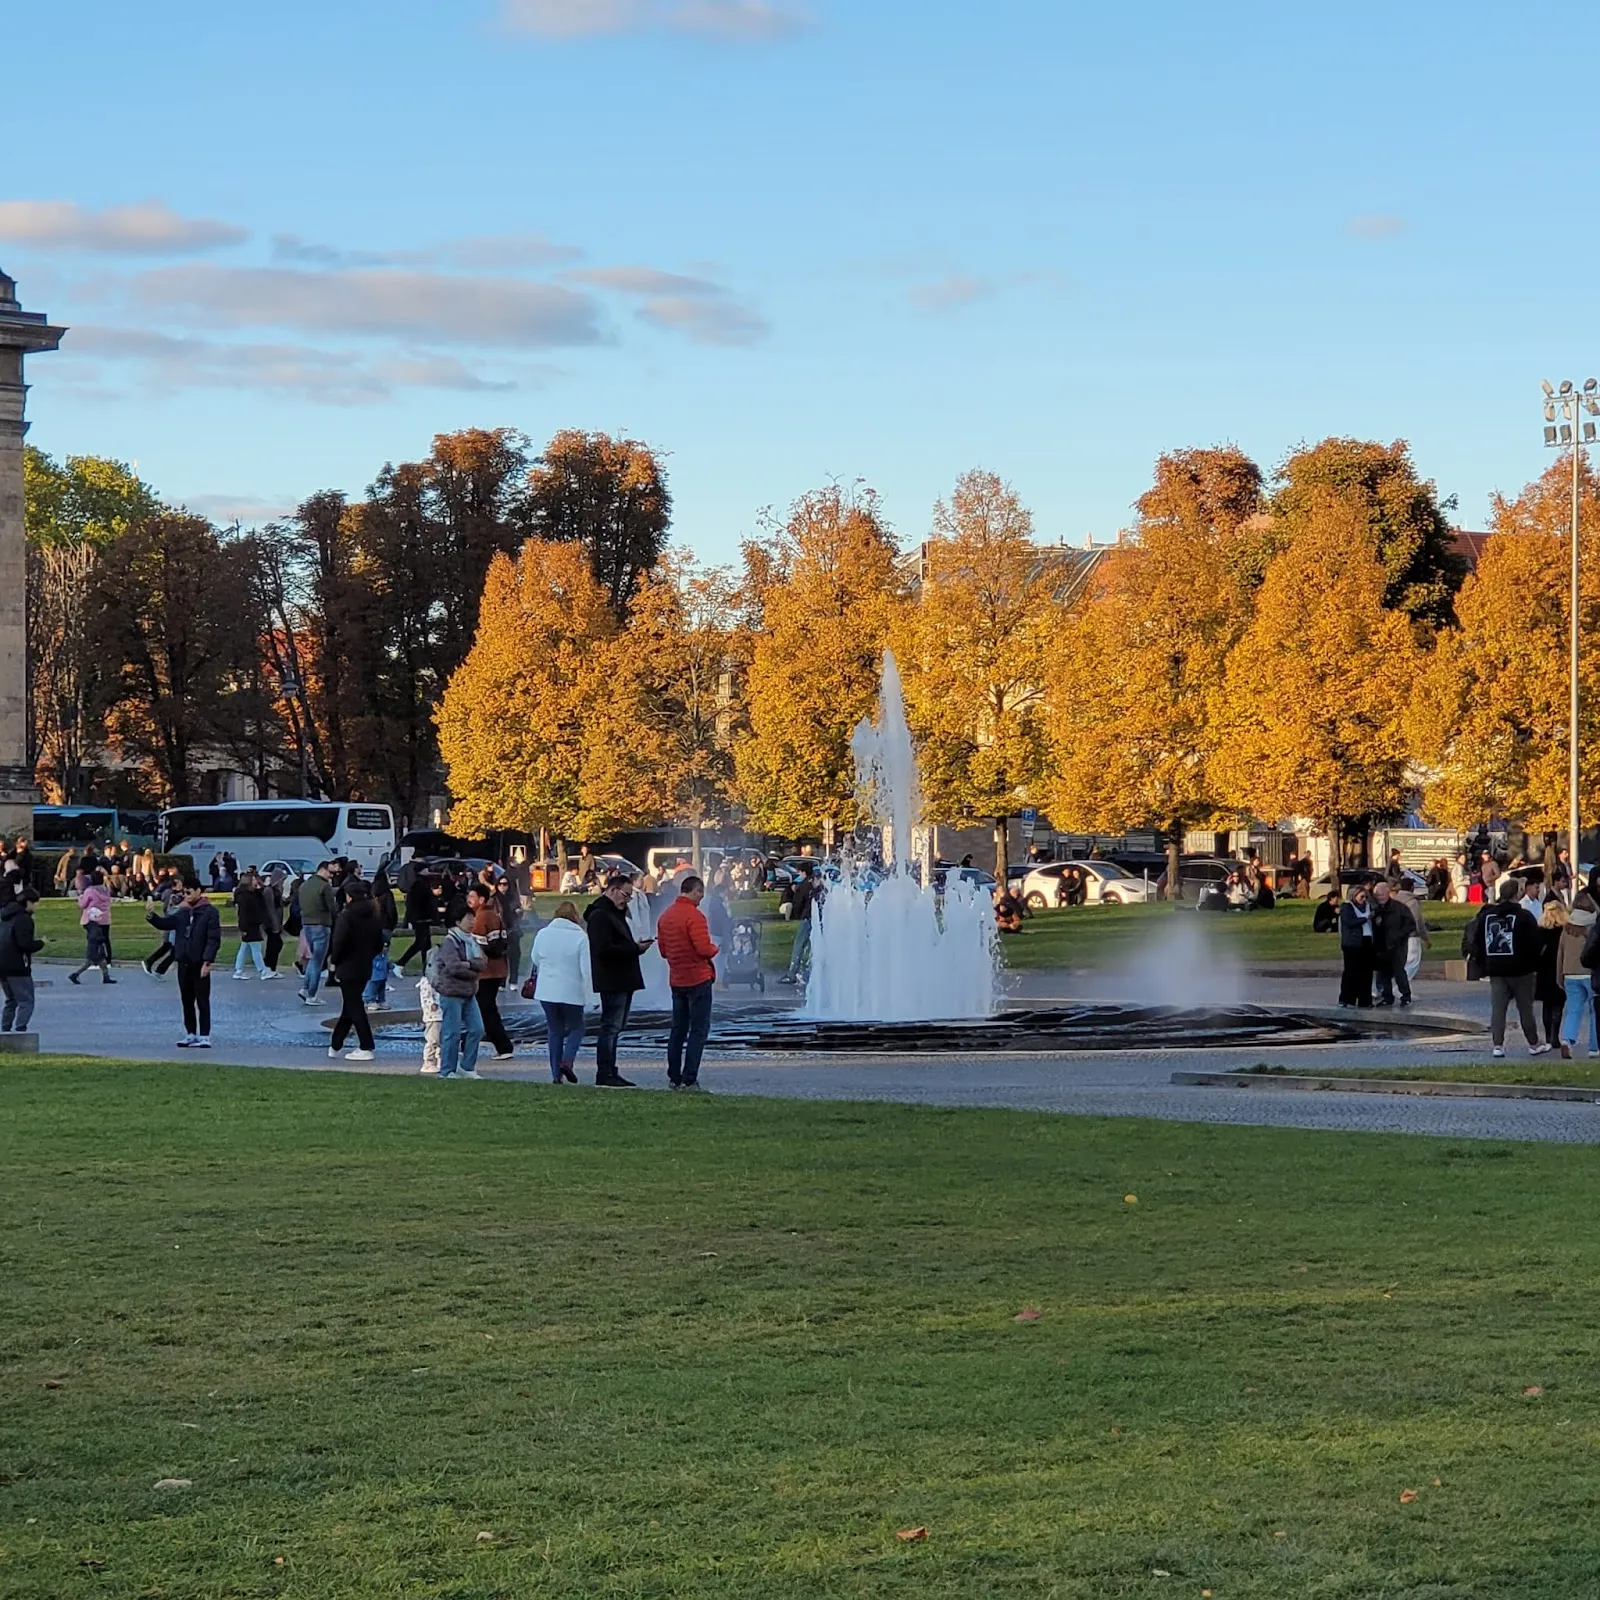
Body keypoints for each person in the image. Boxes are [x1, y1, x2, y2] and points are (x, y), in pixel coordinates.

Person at [1470, 878, 1548, 1059]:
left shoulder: (1487, 916)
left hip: (1496, 969)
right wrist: (1534, 963)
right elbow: (1536, 943)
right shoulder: (1524, 916)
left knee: (1498, 1009)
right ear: (1517, 894)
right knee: (1525, 1008)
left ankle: (1498, 1045)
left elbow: (1478, 942)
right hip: (1521, 970)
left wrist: (1483, 964)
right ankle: (1533, 1043)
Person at [585, 873, 650, 1087]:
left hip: (621, 977)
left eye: (630, 896)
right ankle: (605, 1072)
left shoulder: (613, 912)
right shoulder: (601, 915)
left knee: (616, 1026)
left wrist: (634, 947)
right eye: (625, 895)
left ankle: (610, 1070)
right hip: (613, 979)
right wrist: (634, 948)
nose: (627, 900)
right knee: (610, 1027)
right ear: (612, 890)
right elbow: (603, 949)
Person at [656, 874, 720, 1091]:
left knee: (678, 1030)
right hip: (698, 979)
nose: (701, 898)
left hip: (677, 979)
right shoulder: (695, 916)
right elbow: (703, 949)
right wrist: (715, 949)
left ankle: (674, 1077)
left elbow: (664, 951)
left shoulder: (665, 916)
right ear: (696, 891)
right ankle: (689, 1079)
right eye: (700, 893)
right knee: (698, 1030)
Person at [147, 880, 221, 1048]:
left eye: (189, 892)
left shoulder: (210, 912)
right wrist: (152, 916)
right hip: (184, 962)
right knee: (186, 1000)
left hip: (200, 962)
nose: (186, 897)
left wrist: (208, 961)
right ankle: (190, 1033)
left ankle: (204, 1035)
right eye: (185, 893)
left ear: (198, 891)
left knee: (202, 1000)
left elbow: (213, 939)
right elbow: (165, 923)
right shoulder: (182, 913)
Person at [530, 900, 592, 1083]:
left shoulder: (543, 934)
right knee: (576, 1028)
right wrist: (591, 996)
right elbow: (586, 969)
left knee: (555, 1031)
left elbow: (535, 958)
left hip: (547, 992)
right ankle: (567, 1060)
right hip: (571, 992)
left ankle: (555, 1074)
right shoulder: (580, 936)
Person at [327, 879, 384, 1061]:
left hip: (348, 965)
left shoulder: (347, 915)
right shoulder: (373, 914)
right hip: (364, 965)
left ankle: (366, 1045)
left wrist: (334, 960)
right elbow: (378, 942)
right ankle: (336, 1043)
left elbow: (339, 941)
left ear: (349, 897)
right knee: (350, 1005)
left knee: (354, 1005)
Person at [431, 899, 486, 1079]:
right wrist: (473, 970)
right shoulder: (450, 942)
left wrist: (469, 965)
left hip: (469, 992)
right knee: (452, 1033)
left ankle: (467, 1066)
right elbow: (454, 967)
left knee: (477, 1029)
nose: (472, 922)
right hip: (452, 992)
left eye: (473, 918)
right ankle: (447, 1070)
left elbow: (483, 962)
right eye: (468, 919)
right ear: (457, 922)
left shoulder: (472, 941)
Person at [467, 881, 513, 1060]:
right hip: (497, 969)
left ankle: (503, 1046)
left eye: (472, 896)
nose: (468, 900)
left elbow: (478, 945)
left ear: (482, 899)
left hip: (486, 971)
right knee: (484, 1007)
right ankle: (475, 1041)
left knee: (485, 1009)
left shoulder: (480, 918)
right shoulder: (493, 914)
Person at [1559, 886, 1599, 1059]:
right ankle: (1594, 1047)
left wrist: (1560, 975)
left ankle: (1567, 1039)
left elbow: (1560, 953)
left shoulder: (1567, 927)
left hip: (1569, 973)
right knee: (1594, 1011)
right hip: (1589, 973)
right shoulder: (1593, 926)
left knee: (1573, 1010)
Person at [0, 886, 44, 1033]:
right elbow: (24, 944)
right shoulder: (24, 919)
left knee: (11, 1000)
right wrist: (40, 943)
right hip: (17, 965)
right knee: (26, 1001)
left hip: (3, 965)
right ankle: (20, 1031)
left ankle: (5, 1031)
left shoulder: (6, 917)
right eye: (35, 903)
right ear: (28, 902)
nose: (37, 906)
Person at [296, 861, 337, 1006]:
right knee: (317, 961)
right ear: (323, 870)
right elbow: (332, 907)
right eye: (331, 873)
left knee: (313, 959)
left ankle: (305, 988)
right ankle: (311, 995)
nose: (332, 876)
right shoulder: (324, 886)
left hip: (307, 924)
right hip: (322, 924)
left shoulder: (304, 885)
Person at [1370, 880, 1416, 1007]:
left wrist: (1399, 935)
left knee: (1399, 972)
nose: (1380, 898)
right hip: (1381, 946)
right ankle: (1387, 996)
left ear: (1388, 893)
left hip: (1397, 945)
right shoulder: (1376, 910)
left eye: (1381, 895)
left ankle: (1405, 995)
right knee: (1384, 973)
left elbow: (1411, 924)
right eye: (1377, 895)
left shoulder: (1400, 908)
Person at [69, 868, 116, 985]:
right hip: (104, 920)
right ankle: (105, 975)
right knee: (101, 946)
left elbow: (83, 904)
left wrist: (80, 897)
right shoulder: (106, 890)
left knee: (95, 948)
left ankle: (77, 973)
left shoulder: (90, 891)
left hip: (92, 920)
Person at [363, 866, 399, 1011]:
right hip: (384, 928)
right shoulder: (387, 894)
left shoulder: (372, 896)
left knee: (376, 963)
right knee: (381, 962)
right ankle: (375, 997)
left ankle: (376, 997)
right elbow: (392, 912)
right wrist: (392, 924)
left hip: (373, 931)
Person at [1337, 884, 1377, 1007]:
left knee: (1366, 972)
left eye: (1366, 897)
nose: (1364, 899)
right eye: (1361, 897)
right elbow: (1350, 922)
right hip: (1352, 944)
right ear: (1354, 896)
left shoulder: (1369, 907)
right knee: (1351, 971)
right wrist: (1366, 918)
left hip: (1367, 941)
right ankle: (1347, 998)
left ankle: (1365, 999)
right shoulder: (1347, 907)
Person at [1536, 900, 1569, 1050]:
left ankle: (1548, 1036)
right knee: (1558, 1004)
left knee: (1546, 1005)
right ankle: (1555, 1036)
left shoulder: (1541, 931)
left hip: (1544, 971)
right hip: (1559, 969)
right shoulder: (1564, 931)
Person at [779, 862, 818, 985]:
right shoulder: (816, 883)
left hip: (806, 918)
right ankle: (809, 972)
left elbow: (798, 903)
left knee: (799, 946)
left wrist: (796, 914)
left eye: (800, 872)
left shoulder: (803, 885)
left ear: (803, 873)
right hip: (816, 919)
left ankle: (792, 973)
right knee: (814, 947)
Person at [395, 869, 438, 973]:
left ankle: (426, 967)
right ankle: (401, 963)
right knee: (421, 943)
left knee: (425, 944)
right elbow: (428, 904)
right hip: (421, 918)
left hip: (419, 918)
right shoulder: (421, 886)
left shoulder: (417, 885)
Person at [232, 868, 270, 979]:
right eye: (253, 879)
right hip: (250, 924)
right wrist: (243, 927)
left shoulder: (251, 894)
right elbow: (243, 913)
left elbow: (260, 901)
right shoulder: (244, 896)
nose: (256, 881)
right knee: (256, 948)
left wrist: (259, 890)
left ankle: (239, 970)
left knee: (244, 948)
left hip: (252, 924)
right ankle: (262, 970)